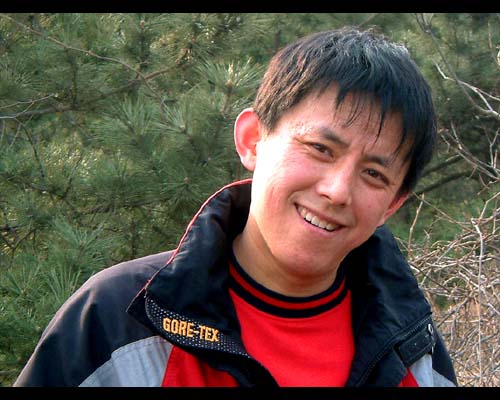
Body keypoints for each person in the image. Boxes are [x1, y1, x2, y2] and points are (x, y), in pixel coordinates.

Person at [14, 26, 457, 387]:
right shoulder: (118, 318)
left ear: (392, 204)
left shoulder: (415, 353)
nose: (338, 190)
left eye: (374, 174)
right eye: (320, 149)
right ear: (252, 140)